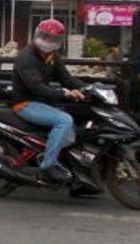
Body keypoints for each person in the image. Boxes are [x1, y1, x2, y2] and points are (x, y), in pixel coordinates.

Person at [11, 18, 85, 184]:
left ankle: (56, 158)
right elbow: (37, 88)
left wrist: (87, 89)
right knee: (64, 121)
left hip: (44, 102)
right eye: (45, 36)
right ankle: (48, 167)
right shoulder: (26, 58)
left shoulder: (52, 56)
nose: (47, 41)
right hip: (26, 104)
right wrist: (65, 94)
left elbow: (67, 79)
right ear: (37, 34)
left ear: (58, 41)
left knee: (76, 128)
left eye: (52, 38)